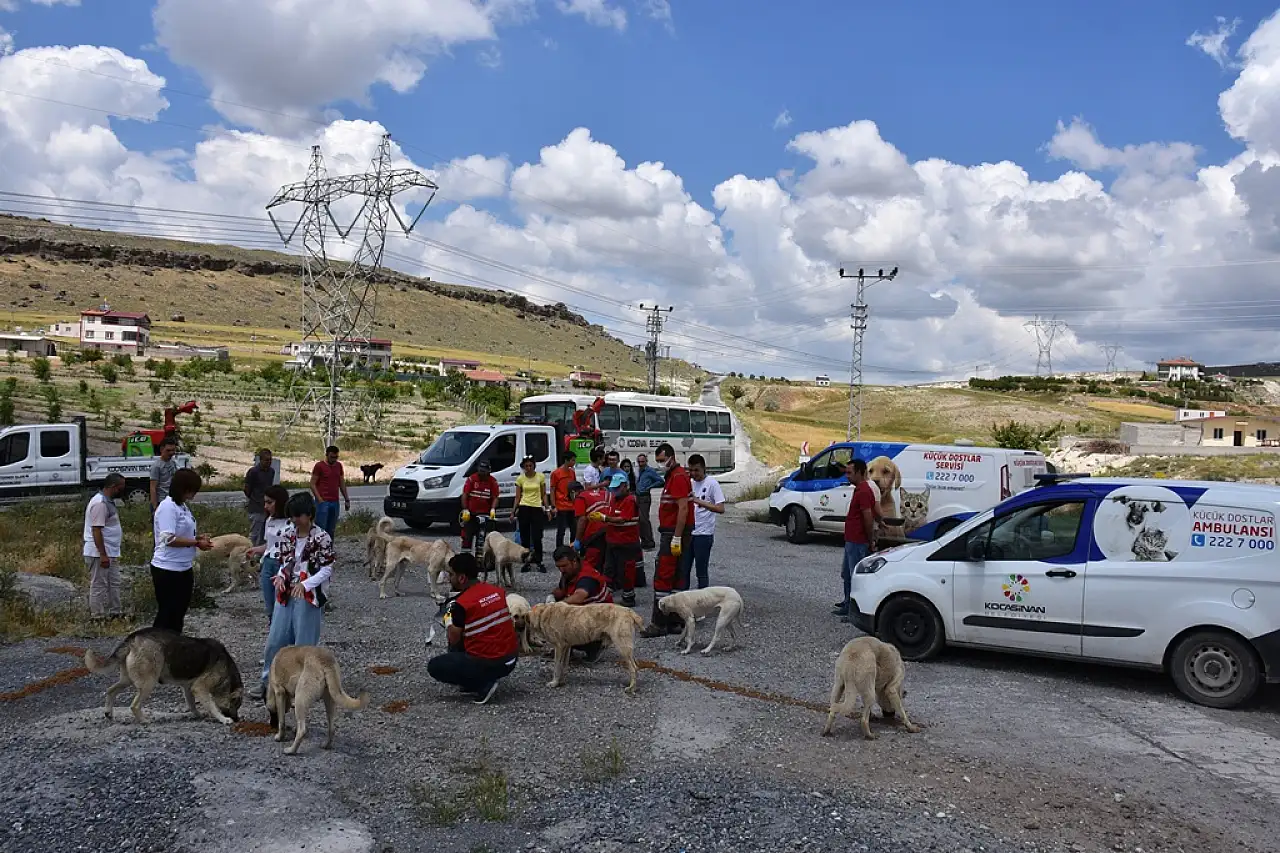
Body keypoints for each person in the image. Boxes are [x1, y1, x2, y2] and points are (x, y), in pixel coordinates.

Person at [255, 492, 336, 700]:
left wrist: (306, 584)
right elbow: (285, 562)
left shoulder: (322, 537)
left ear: (309, 515)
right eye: (291, 516)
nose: (294, 520)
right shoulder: (288, 534)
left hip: (309, 596)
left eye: (298, 516)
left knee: (304, 644)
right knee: (276, 640)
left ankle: (303, 686)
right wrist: (281, 576)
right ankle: (268, 683)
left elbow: (327, 568)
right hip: (286, 593)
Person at [426, 553, 518, 705]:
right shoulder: (496, 591)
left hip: (492, 663)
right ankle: (474, 679)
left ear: (462, 578)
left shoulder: (462, 603)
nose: (450, 578)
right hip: (511, 658)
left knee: (436, 666)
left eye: (451, 574)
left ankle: (482, 684)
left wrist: (448, 616)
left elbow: (453, 638)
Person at [150, 467, 213, 634]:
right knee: (167, 614)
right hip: (167, 567)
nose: (194, 494)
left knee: (178, 613)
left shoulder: (182, 506)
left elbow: (182, 532)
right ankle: (155, 648)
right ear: (184, 488)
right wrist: (195, 543)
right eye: (192, 490)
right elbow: (168, 538)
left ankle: (174, 649)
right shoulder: (168, 507)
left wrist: (197, 538)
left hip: (183, 566)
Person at [640, 443, 693, 638]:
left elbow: (683, 509)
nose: (661, 464)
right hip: (676, 532)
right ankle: (675, 622)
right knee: (677, 577)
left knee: (664, 575)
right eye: (659, 461)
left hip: (673, 532)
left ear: (672, 457)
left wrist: (677, 537)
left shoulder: (677, 477)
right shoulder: (674, 476)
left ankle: (659, 623)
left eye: (663, 460)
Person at [551, 545, 612, 661]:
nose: (561, 570)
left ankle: (595, 645)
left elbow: (579, 596)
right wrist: (552, 596)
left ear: (574, 561)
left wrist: (555, 606)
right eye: (558, 567)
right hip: (590, 614)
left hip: (601, 621)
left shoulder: (587, 577)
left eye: (564, 566)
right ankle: (568, 647)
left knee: (559, 619)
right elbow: (562, 591)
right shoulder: (571, 572)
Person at [835, 457, 878, 622]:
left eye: (849, 472)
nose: (847, 476)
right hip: (851, 540)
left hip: (858, 541)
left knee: (856, 577)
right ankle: (847, 604)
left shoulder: (864, 491)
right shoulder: (859, 489)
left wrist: (869, 539)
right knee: (846, 574)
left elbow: (868, 516)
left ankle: (856, 612)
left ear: (860, 473)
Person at [245, 484, 291, 623]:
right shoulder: (269, 520)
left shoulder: (291, 523)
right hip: (268, 563)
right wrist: (256, 549)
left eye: (270, 502)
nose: (266, 506)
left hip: (283, 564)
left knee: (283, 602)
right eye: (265, 502)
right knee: (269, 603)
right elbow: (270, 545)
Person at [84, 473, 126, 618]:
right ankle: (97, 616)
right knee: (99, 584)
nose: (123, 490)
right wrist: (102, 554)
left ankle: (115, 612)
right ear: (113, 487)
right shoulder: (100, 504)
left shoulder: (107, 501)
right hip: (99, 553)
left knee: (114, 583)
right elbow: (96, 530)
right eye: (121, 487)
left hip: (111, 551)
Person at [685, 454, 726, 590]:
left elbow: (720, 508)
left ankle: (702, 602)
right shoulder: (688, 483)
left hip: (704, 534)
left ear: (704, 468)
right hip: (688, 532)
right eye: (691, 470)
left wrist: (698, 501)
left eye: (696, 470)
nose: (693, 473)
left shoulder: (712, 483)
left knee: (701, 572)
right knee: (683, 570)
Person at [602, 472, 642, 606]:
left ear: (625, 486)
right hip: (613, 541)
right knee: (609, 569)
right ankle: (606, 594)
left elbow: (622, 518)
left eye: (617, 488)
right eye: (613, 488)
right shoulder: (614, 499)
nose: (615, 491)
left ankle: (628, 597)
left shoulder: (630, 500)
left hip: (627, 543)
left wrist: (604, 518)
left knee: (626, 571)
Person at [514, 455, 550, 572]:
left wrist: (547, 508)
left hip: (536, 507)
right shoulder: (520, 479)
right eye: (526, 466)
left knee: (537, 536)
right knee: (525, 536)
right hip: (524, 507)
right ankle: (526, 561)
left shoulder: (540, 477)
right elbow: (518, 496)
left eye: (531, 465)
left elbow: (544, 494)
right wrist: (513, 511)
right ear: (523, 467)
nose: (529, 468)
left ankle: (539, 560)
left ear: (534, 466)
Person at [460, 460, 500, 554]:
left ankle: (480, 562)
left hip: (485, 515)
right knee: (467, 537)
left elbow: (495, 497)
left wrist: (493, 509)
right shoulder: (472, 479)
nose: (481, 473)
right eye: (480, 470)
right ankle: (465, 559)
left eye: (483, 471)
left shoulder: (492, 481)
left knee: (482, 539)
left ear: (488, 471)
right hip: (471, 514)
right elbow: (465, 495)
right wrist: (465, 509)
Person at [310, 445, 349, 539]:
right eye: (332, 457)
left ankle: (329, 549)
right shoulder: (319, 466)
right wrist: (319, 499)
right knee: (320, 528)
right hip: (323, 501)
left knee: (331, 528)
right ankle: (319, 550)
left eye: (336, 457)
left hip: (334, 501)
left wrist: (346, 499)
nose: (334, 459)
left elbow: (342, 483)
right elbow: (312, 484)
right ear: (327, 455)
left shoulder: (338, 466)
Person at [572, 478, 610, 572]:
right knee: (606, 560)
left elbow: (582, 519)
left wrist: (577, 540)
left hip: (595, 534)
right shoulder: (599, 493)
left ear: (573, 492)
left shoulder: (580, 497)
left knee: (593, 563)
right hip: (610, 528)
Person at [244, 448, 275, 548]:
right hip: (256, 507)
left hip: (267, 508)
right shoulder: (253, 472)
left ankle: (259, 555)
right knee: (254, 534)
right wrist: (255, 499)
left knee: (264, 533)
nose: (269, 462)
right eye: (266, 460)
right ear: (260, 460)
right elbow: (247, 489)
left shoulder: (271, 472)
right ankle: (249, 553)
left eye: (270, 460)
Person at [634, 453, 664, 551]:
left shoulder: (650, 471)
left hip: (645, 497)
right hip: (638, 496)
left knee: (644, 520)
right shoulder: (639, 471)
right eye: (639, 462)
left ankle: (649, 541)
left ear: (646, 461)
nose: (641, 463)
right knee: (639, 520)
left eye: (642, 461)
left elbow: (660, 481)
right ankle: (644, 541)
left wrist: (650, 486)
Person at [550, 452, 578, 549]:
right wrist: (553, 506)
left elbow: (574, 488)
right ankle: (559, 549)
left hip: (571, 505)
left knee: (574, 529)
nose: (574, 462)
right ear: (566, 460)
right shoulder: (556, 473)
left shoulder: (572, 473)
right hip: (561, 505)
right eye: (572, 460)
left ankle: (573, 548)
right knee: (561, 530)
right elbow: (553, 490)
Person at [149, 437, 178, 528]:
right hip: (161, 502)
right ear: (162, 449)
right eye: (168, 450)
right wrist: (155, 507)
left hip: (172, 501)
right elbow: (153, 487)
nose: (171, 453)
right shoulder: (156, 466)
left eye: (173, 450)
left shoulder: (173, 463)